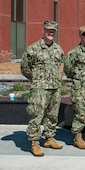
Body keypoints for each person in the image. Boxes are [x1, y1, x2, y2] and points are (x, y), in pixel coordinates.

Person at [21, 20, 64, 156]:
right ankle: (34, 142)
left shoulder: (58, 49)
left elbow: (59, 66)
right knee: (36, 114)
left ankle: (49, 138)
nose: (50, 33)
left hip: (55, 87)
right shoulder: (33, 49)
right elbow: (24, 68)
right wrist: (36, 79)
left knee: (52, 115)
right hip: (39, 88)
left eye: (53, 31)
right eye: (48, 30)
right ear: (43, 31)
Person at [63, 25, 85, 149]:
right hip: (79, 87)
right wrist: (78, 78)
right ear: (80, 36)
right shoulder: (74, 52)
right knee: (80, 113)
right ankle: (77, 137)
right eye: (84, 34)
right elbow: (68, 69)